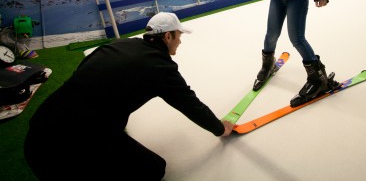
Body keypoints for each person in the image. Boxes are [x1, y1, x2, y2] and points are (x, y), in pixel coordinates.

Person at [24, 12, 234, 180]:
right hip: (63, 152)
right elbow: (190, 104)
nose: (180, 41)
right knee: (153, 169)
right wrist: (219, 128)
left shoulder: (119, 44)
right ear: (167, 36)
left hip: (38, 131)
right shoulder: (160, 67)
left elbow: (82, 75)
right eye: (179, 36)